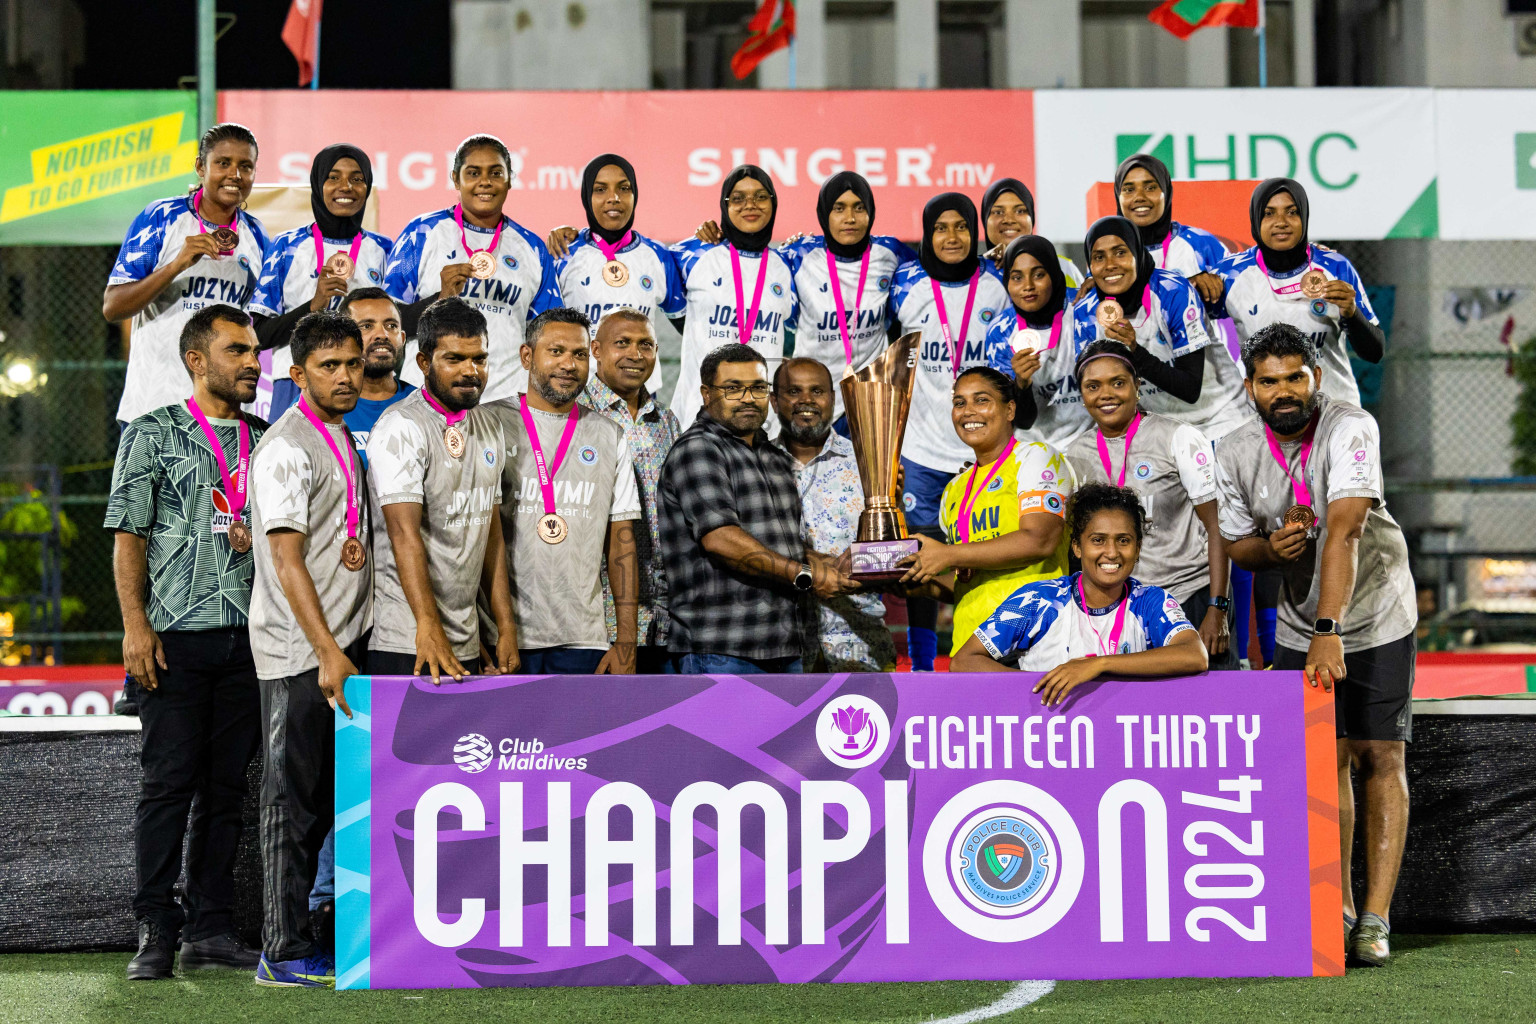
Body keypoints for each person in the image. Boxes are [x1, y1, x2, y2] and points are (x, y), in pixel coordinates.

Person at [1214, 323, 1416, 967]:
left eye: (1295, 377)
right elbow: (1238, 544)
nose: (1283, 391)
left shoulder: (1351, 426)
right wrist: (1267, 550)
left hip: (1376, 611)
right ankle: (1338, 906)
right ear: (1250, 387)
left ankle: (1377, 920)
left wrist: (1328, 634)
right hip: (1303, 619)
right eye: (1268, 381)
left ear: (1317, 378)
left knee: (1379, 754)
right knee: (1320, 763)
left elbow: (1348, 531)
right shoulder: (1235, 448)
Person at [104, 304, 267, 980]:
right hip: (174, 637)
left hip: (251, 640)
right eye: (238, 351)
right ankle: (154, 930)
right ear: (198, 360)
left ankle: (212, 928)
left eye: (255, 351)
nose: (254, 362)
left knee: (227, 790)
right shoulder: (152, 433)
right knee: (168, 786)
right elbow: (128, 536)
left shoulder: (268, 437)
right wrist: (135, 626)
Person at [246, 311, 371, 988]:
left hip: (341, 649)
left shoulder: (340, 436)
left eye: (352, 363)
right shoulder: (287, 446)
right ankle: (282, 950)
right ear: (297, 376)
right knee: (290, 806)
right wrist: (326, 650)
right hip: (301, 654)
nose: (346, 375)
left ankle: (307, 937)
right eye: (329, 366)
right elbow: (287, 561)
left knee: (325, 804)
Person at [659, 343, 856, 674]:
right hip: (721, 648)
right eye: (733, 388)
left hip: (785, 646)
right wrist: (805, 575)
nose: (748, 398)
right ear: (706, 394)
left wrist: (829, 563)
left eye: (757, 388)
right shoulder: (699, 450)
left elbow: (781, 546)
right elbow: (722, 540)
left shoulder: (774, 458)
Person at [366, 298, 518, 681]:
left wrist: (504, 625)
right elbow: (403, 535)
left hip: (465, 640)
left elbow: (491, 532)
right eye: (454, 359)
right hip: (409, 640)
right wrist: (428, 627)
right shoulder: (401, 426)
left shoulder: (489, 426)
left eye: (479, 359)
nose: (471, 372)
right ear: (423, 363)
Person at [952, 483, 1208, 706]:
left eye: (1123, 540)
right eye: (1098, 540)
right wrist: (1042, 684)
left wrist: (1098, 664)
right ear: (1076, 546)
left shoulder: (1151, 602)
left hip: (1124, 746)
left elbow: (1194, 654)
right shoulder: (1040, 600)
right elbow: (964, 662)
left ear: (1138, 548)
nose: (1111, 552)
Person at [487, 308, 642, 674]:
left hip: (582, 637)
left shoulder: (609, 434)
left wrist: (626, 639)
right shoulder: (490, 422)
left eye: (579, 354)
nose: (569, 365)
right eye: (555, 352)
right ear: (527, 356)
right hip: (502, 635)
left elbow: (622, 541)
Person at [891, 192, 1010, 670]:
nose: (952, 236)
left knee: (982, 555)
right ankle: (922, 667)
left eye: (962, 226)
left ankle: (985, 657)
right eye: (940, 227)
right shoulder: (903, 283)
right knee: (920, 561)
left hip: (982, 450)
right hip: (921, 451)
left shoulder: (998, 282)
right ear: (927, 235)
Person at [1064, 341, 1235, 669]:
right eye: (1093, 386)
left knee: (1209, 710)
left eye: (1118, 382)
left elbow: (1219, 527)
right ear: (1082, 395)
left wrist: (1218, 607)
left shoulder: (1178, 438)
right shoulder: (1074, 456)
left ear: (1137, 386)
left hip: (1191, 595)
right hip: (1124, 608)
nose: (1106, 394)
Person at [899, 366, 1075, 659]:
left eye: (981, 400)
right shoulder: (954, 489)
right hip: (971, 649)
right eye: (959, 402)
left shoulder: (1037, 458)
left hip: (1034, 643)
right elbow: (970, 578)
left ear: (1009, 410)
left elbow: (1039, 540)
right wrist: (923, 585)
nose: (968, 411)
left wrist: (947, 554)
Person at [104, 123, 270, 425]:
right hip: (155, 408)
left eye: (245, 166)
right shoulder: (161, 218)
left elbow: (265, 322)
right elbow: (114, 306)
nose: (234, 174)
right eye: (223, 163)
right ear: (200, 166)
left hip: (225, 413)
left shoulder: (257, 235)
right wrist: (177, 264)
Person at [383, 134, 561, 403]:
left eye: (496, 172)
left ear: (510, 179)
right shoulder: (421, 233)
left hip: (506, 398)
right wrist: (438, 300)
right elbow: (386, 324)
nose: (485, 182)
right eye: (473, 172)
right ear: (456, 179)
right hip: (428, 397)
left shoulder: (533, 248)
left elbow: (548, 334)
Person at [1073, 216, 1250, 441]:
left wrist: (1134, 352)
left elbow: (1190, 389)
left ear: (1137, 253)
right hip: (1160, 432)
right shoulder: (1086, 313)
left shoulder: (1172, 291)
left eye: (1120, 252)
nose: (1110, 265)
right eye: (1099, 257)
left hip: (1221, 420)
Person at [1215, 177, 1385, 410]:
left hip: (1334, 413)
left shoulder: (1334, 267)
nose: (1281, 222)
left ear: (1304, 218)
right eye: (1269, 213)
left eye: (1291, 212)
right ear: (1255, 219)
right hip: (1269, 419)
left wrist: (1351, 312)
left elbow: (1374, 352)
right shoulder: (1230, 274)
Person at [772, 357, 897, 672]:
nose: (806, 401)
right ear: (774, 401)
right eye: (793, 391)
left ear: (833, 399)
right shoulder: (754, 465)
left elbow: (891, 553)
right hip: (779, 651)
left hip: (860, 642)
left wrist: (857, 571)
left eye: (817, 391)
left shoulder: (870, 462)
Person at [251, 145, 391, 421]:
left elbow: (397, 328)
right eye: (334, 177)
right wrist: (313, 306)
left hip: (364, 384)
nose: (346, 187)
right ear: (317, 183)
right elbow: (260, 335)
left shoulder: (384, 249)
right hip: (297, 382)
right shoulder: (286, 246)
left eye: (357, 178)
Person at [578, 308, 682, 673]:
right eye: (622, 343)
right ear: (596, 349)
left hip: (664, 615)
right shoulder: (576, 412)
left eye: (646, 345)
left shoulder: (667, 421)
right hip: (596, 616)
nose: (636, 355)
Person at [778, 172, 915, 426]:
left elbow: (940, 273)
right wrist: (714, 240)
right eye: (839, 208)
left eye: (859, 208)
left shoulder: (891, 253)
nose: (850, 218)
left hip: (871, 401)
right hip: (810, 397)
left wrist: (995, 260)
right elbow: (751, 268)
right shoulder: (798, 254)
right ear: (823, 214)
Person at [544, 154, 687, 394]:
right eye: (600, 189)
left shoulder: (658, 256)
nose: (614, 198)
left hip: (640, 399)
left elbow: (692, 327)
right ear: (587, 197)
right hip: (577, 398)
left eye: (624, 188)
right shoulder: (563, 253)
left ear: (635, 195)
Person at [670, 165, 798, 433]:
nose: (750, 205)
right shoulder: (691, 255)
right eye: (737, 198)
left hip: (763, 426)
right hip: (698, 421)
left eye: (761, 197)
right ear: (724, 206)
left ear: (773, 203)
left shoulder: (789, 264)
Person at [982, 234, 1086, 449]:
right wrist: (1021, 383)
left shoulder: (1084, 309)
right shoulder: (1001, 333)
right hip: (1034, 449)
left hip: (1090, 442)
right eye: (1017, 277)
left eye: (1038, 274)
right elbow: (1023, 421)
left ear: (1055, 275)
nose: (1027, 286)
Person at [1113, 154, 1227, 302]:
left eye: (1150, 187)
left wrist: (1214, 287)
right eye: (1129, 189)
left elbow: (1241, 304)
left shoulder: (1201, 243)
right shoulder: (1108, 250)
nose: (1139, 197)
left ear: (1166, 192)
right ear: (1118, 196)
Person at [331, 287, 417, 463]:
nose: (382, 335)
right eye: (367, 326)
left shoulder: (424, 406)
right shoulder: (320, 408)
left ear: (402, 338)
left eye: (391, 326)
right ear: (341, 339)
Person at [977, 177, 1084, 289]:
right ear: (985, 220)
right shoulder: (972, 275)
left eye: (1020, 211)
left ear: (1032, 218)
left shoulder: (1063, 268)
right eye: (998, 212)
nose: (1009, 220)